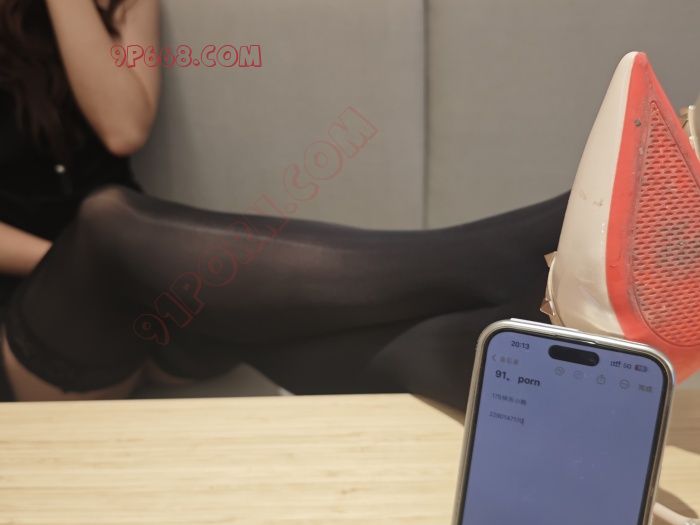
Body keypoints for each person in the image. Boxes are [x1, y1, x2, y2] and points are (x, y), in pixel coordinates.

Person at [0, 0, 159, 399]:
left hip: (135, 277)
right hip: (26, 307)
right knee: (103, 221)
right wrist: (81, 265)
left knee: (280, 318)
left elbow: (124, 128)